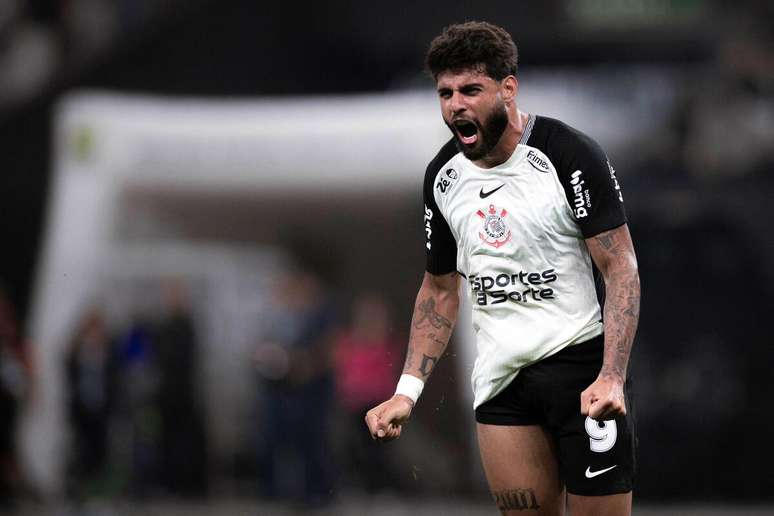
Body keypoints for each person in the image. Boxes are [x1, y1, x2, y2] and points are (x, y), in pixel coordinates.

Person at [364, 22, 640, 516]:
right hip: (501, 382)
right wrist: (407, 392)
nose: (455, 105)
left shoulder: (568, 155)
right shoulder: (443, 177)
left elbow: (620, 268)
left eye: (471, 89)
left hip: (580, 372)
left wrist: (612, 375)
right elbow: (439, 290)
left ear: (508, 88)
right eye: (445, 93)